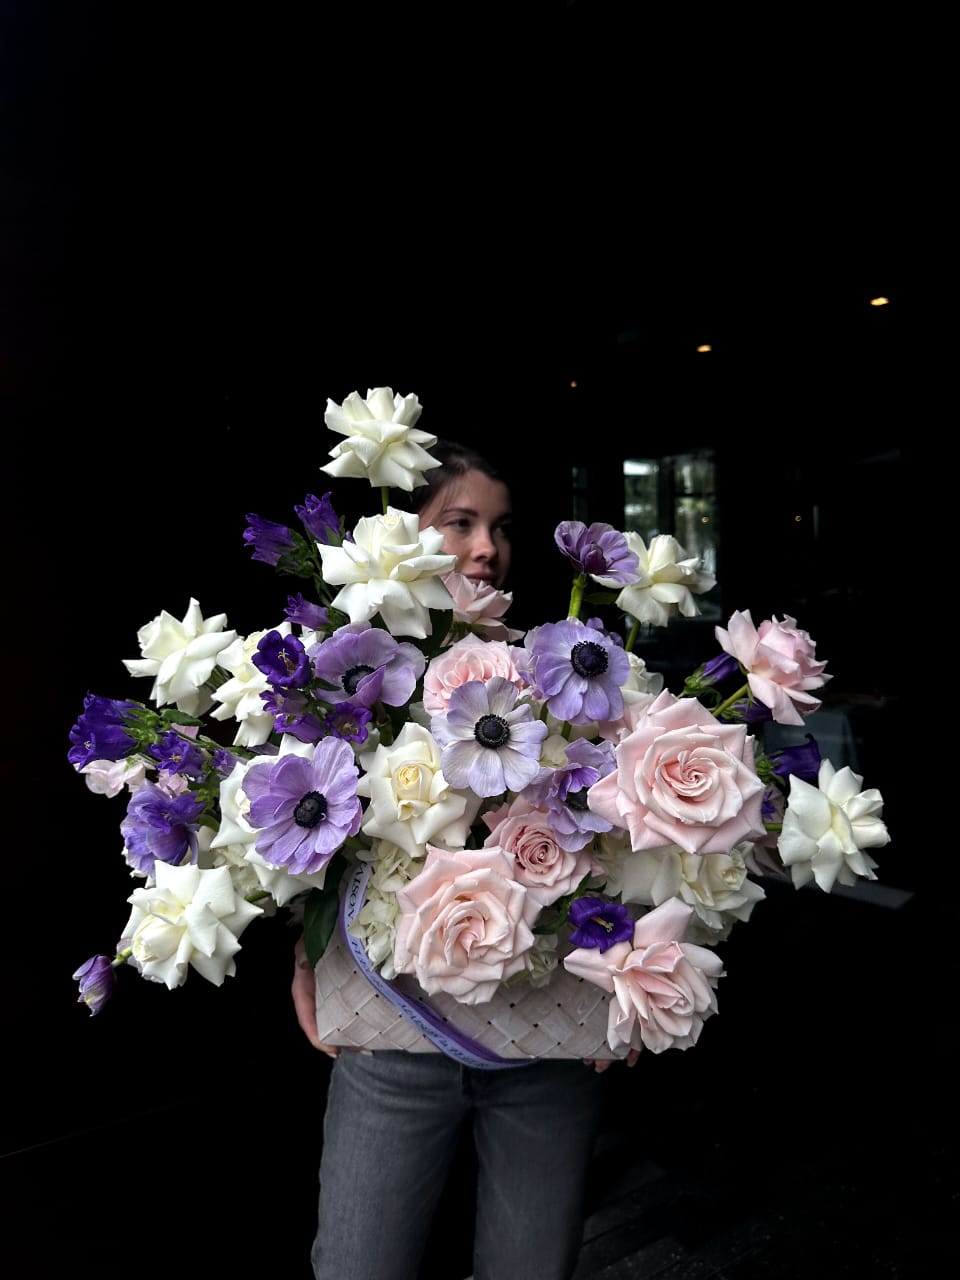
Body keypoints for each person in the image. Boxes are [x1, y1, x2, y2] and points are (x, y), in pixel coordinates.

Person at [291, 440, 638, 1280]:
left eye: (500, 527)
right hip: (392, 1036)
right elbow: (304, 831)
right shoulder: (350, 670)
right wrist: (300, 953)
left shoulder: (558, 674)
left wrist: (639, 977)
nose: (488, 546)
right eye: (460, 523)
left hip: (543, 1044)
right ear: (399, 539)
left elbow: (630, 845)